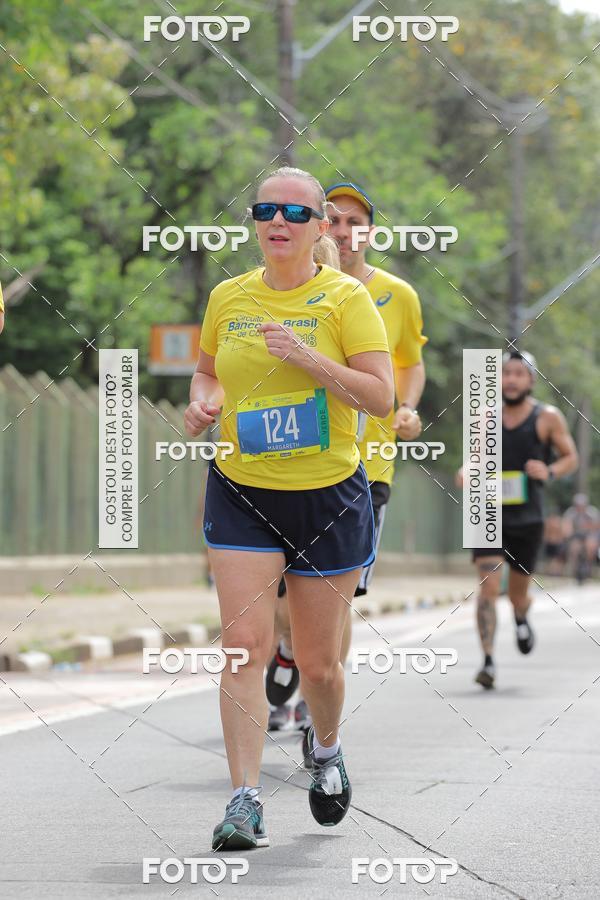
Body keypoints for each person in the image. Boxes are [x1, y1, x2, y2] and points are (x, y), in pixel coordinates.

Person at [184, 166, 394, 850]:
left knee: (317, 664)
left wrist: (308, 358)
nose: (279, 221)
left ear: (318, 227)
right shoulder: (228, 296)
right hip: (242, 489)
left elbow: (380, 397)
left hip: (328, 496)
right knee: (243, 647)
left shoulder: (345, 299)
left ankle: (326, 749)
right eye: (266, 210)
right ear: (254, 221)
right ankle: (244, 801)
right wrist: (203, 404)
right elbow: (208, 370)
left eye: (296, 213)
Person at [265, 181, 427, 755]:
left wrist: (407, 408)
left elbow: (409, 364)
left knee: (338, 598)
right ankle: (291, 650)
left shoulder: (397, 295)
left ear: (370, 233)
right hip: (288, 464)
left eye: (354, 221)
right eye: (332, 219)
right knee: (282, 601)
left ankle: (319, 708)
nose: (341, 230)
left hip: (366, 466)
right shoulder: (287, 287)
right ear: (317, 227)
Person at [460, 350, 578, 689]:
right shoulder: (485, 416)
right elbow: (475, 456)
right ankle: (488, 661)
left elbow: (570, 457)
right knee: (488, 587)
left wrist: (550, 470)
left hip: (528, 518)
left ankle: (521, 615)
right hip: (488, 512)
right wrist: (467, 471)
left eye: (518, 373)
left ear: (531, 380)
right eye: (505, 373)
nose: (510, 379)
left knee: (517, 594)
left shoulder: (548, 417)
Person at [562, 493, 600, 581]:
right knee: (574, 548)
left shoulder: (592, 512)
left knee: (590, 546)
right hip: (576, 536)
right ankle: (575, 570)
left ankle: (589, 567)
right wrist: (568, 532)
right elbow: (566, 525)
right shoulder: (571, 512)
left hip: (590, 535)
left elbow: (597, 526)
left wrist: (588, 528)